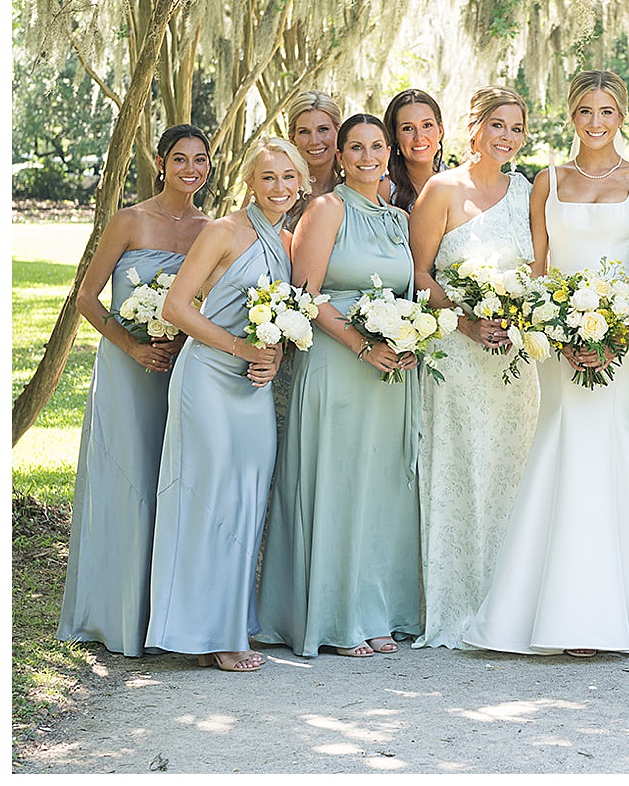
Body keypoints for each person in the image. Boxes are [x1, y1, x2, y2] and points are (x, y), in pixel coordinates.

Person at [465, 70, 629, 657]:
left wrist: (617, 334)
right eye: (584, 112)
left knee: (621, 449)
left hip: (621, 348)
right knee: (561, 449)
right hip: (557, 345)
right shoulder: (546, 181)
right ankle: (558, 612)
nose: (595, 124)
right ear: (570, 116)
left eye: (606, 112)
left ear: (622, 116)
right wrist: (559, 331)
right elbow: (540, 272)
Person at [257, 115, 421, 658]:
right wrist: (361, 344)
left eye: (377, 146)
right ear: (342, 157)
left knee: (379, 491)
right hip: (338, 362)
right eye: (357, 147)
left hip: (389, 370)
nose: (369, 155)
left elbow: (410, 291)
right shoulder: (327, 209)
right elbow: (304, 291)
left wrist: (412, 336)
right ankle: (333, 618)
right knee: (337, 484)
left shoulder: (399, 218)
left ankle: (374, 611)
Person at [146, 139, 306, 672]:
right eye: (268, 178)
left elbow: (280, 316)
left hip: (252, 387)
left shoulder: (285, 242)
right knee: (208, 496)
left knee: (248, 499)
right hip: (208, 380)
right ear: (248, 183)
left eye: (289, 177)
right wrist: (241, 348)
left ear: (301, 181)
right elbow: (176, 306)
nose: (279, 187)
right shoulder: (223, 231)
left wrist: (275, 352)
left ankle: (232, 622)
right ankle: (206, 632)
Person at [58, 126, 212, 657]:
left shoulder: (209, 229)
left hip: (181, 372)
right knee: (128, 484)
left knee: (171, 486)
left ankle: (166, 616)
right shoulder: (130, 219)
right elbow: (87, 297)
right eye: (180, 159)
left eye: (200, 160)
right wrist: (132, 347)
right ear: (160, 161)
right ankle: (117, 616)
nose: (191, 169)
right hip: (128, 371)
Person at [409, 87, 539, 648]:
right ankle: (458, 603)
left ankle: (513, 602)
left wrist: (517, 314)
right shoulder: (442, 190)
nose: (507, 138)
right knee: (460, 471)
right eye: (498, 126)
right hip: (457, 357)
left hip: (513, 361)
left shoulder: (529, 193)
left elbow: (540, 274)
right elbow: (417, 276)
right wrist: (465, 322)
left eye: (517, 128)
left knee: (514, 472)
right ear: (475, 128)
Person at [383, 87, 445, 211]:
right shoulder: (384, 190)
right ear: (394, 136)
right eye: (407, 128)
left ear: (440, 131)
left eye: (427, 125)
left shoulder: (457, 182)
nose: (419, 137)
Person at [287, 92, 343, 209]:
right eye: (304, 132)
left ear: (339, 131)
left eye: (323, 129)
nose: (314, 141)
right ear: (292, 139)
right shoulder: (278, 185)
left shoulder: (356, 184)